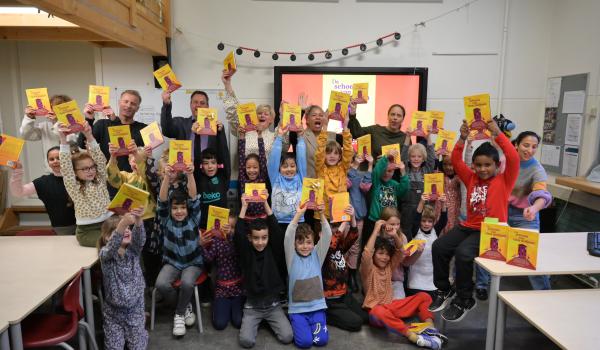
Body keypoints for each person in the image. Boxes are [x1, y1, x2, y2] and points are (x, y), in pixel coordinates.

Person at [430, 119, 519, 322]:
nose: (482, 169)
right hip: (469, 226)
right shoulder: (471, 178)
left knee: (463, 254)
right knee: (439, 246)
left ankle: (464, 299)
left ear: (497, 165)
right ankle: (444, 289)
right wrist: (462, 138)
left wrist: (498, 134)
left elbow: (513, 157)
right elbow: (455, 159)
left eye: (487, 165)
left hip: (491, 231)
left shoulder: (504, 180)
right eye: (478, 165)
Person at [360, 216, 446, 350]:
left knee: (424, 296)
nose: (384, 257)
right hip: (377, 313)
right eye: (380, 253)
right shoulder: (368, 269)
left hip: (392, 306)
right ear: (374, 255)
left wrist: (394, 235)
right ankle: (414, 337)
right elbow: (366, 253)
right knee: (377, 311)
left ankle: (430, 328)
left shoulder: (389, 266)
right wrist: (376, 229)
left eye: (387, 255)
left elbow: (401, 252)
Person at [235, 195, 293, 348]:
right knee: (246, 342)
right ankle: (260, 321)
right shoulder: (246, 253)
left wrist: (265, 202)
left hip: (273, 305)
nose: (260, 242)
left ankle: (269, 321)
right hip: (252, 307)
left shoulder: (273, 250)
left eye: (264, 238)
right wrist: (244, 207)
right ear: (250, 238)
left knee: (287, 337)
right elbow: (239, 234)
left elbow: (275, 227)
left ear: (268, 237)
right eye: (256, 238)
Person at [155, 162, 203, 337]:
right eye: (175, 208)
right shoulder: (166, 219)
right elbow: (161, 201)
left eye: (182, 207)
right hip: (173, 262)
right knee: (161, 284)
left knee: (187, 283)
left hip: (193, 263)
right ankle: (185, 306)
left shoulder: (194, 218)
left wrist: (190, 174)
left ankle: (179, 314)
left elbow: (194, 198)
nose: (179, 211)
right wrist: (167, 176)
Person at [107, 144, 158, 286]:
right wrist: (113, 156)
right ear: (129, 161)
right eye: (133, 159)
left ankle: (151, 286)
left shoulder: (149, 177)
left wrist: (139, 156)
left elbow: (145, 170)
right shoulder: (126, 176)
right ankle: (132, 283)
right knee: (130, 254)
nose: (136, 162)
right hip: (129, 221)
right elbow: (113, 178)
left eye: (139, 159)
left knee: (149, 256)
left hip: (149, 220)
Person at [507, 131, 553, 290]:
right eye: (526, 145)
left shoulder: (537, 169)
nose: (530, 150)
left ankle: (544, 296)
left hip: (526, 215)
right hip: (503, 211)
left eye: (534, 147)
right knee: (493, 252)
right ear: (516, 145)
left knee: (529, 258)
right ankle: (484, 289)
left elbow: (543, 195)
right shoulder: (505, 160)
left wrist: (533, 208)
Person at [97, 209, 148, 350]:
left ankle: (141, 330)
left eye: (128, 228)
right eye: (119, 229)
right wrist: (123, 222)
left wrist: (137, 220)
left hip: (135, 310)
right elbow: (112, 247)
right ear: (107, 237)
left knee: (138, 346)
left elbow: (140, 239)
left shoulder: (133, 251)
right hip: (113, 314)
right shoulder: (106, 256)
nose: (126, 230)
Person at [284, 203, 332, 348]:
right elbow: (288, 235)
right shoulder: (291, 257)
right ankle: (297, 324)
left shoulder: (317, 254)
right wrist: (298, 214)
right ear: (294, 244)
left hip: (317, 308)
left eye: (309, 242)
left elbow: (328, 234)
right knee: (304, 343)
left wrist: (321, 214)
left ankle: (317, 322)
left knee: (320, 341)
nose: (305, 246)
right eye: (301, 242)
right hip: (298, 311)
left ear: (314, 242)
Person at [58, 122, 112, 247]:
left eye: (92, 167)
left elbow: (100, 159)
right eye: (85, 169)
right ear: (75, 173)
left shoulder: (100, 179)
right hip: (87, 231)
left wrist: (88, 135)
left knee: (126, 242)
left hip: (107, 224)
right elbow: (66, 167)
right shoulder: (74, 186)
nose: (91, 170)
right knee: (111, 244)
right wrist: (63, 139)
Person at [9, 147, 76, 235]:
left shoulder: (78, 178)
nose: (55, 161)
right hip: (61, 230)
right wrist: (17, 171)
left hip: (85, 226)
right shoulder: (43, 182)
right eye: (51, 159)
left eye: (59, 158)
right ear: (48, 163)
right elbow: (18, 192)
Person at [322, 205, 368, 332]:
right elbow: (332, 242)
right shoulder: (321, 249)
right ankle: (325, 315)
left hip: (344, 294)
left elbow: (353, 235)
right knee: (356, 323)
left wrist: (352, 217)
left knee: (365, 317)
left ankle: (344, 310)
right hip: (331, 300)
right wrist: (344, 222)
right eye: (332, 227)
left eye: (337, 227)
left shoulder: (340, 248)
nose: (336, 230)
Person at [78, 90, 146, 173]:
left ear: (137, 108)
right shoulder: (102, 124)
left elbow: (146, 158)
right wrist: (89, 119)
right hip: (107, 179)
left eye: (133, 103)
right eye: (126, 101)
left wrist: (115, 121)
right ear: (119, 103)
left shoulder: (143, 129)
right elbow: (82, 144)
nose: (128, 105)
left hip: (133, 180)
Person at [199, 212, 244, 330]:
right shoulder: (216, 242)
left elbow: (240, 251)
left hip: (237, 289)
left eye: (232, 227)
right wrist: (201, 245)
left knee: (238, 322)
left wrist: (232, 235)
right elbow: (208, 259)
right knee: (219, 324)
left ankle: (232, 307)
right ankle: (223, 306)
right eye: (226, 226)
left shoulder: (238, 242)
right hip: (221, 290)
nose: (229, 229)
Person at [222, 69, 281, 156]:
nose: (262, 116)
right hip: (246, 169)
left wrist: (283, 115)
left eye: (266, 114)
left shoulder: (274, 136)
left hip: (267, 170)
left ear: (271, 120)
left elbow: (284, 138)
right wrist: (227, 84)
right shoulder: (245, 132)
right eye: (260, 113)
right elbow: (234, 112)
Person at [20, 94, 83, 167]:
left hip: (73, 169)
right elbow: (26, 135)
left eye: (59, 107)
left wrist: (56, 123)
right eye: (52, 108)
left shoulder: (76, 125)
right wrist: (29, 118)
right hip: (52, 170)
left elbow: (69, 139)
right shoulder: (45, 126)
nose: (54, 111)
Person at [363, 148, 408, 249]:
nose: (387, 173)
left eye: (390, 171)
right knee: (375, 248)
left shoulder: (394, 184)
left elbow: (404, 189)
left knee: (389, 248)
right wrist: (386, 157)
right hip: (375, 221)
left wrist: (403, 171)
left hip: (391, 223)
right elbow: (376, 172)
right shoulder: (376, 183)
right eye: (385, 170)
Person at [405, 194, 448, 298]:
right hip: (415, 277)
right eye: (423, 221)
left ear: (433, 222)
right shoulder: (416, 231)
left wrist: (443, 203)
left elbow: (443, 220)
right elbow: (416, 217)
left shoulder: (435, 231)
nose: (426, 224)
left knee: (429, 302)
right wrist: (422, 201)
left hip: (431, 278)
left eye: (429, 221)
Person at [268, 126, 306, 232]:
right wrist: (279, 136)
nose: (289, 169)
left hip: (298, 221)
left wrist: (300, 138)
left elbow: (302, 158)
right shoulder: (275, 178)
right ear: (279, 168)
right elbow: (274, 158)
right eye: (285, 166)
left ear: (297, 167)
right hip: (278, 223)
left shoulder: (300, 178)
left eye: (292, 166)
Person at [348, 103, 408, 171]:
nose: (395, 118)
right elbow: (356, 132)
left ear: (403, 119)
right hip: (371, 175)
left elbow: (405, 162)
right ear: (388, 116)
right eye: (392, 114)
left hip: (392, 178)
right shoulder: (375, 130)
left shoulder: (405, 138)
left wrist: (385, 158)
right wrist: (352, 115)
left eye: (399, 115)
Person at [315, 114, 353, 220]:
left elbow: (348, 151)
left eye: (336, 153)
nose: (332, 156)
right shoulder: (321, 168)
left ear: (340, 156)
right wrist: (325, 127)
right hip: (322, 215)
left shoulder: (343, 168)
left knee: (340, 237)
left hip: (340, 213)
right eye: (329, 153)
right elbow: (319, 151)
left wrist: (345, 128)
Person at [401, 129, 436, 240]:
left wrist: (428, 136)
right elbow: (402, 156)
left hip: (423, 210)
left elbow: (431, 157)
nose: (416, 159)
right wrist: (407, 136)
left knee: (421, 239)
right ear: (409, 158)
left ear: (423, 158)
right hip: (406, 211)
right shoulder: (405, 170)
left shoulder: (427, 170)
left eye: (419, 156)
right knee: (406, 238)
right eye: (413, 156)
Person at [345, 152, 373, 291]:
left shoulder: (362, 174)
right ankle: (342, 275)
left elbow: (366, 187)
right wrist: (354, 166)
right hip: (342, 217)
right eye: (352, 161)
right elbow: (347, 183)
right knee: (342, 246)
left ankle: (352, 275)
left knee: (355, 247)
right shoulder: (344, 173)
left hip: (358, 217)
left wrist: (370, 166)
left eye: (355, 160)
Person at [196, 120, 230, 229]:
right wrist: (197, 135)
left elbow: (224, 153)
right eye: (206, 163)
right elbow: (197, 159)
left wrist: (221, 133)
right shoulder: (199, 179)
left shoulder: (223, 177)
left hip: (222, 228)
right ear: (202, 166)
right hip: (203, 228)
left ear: (217, 164)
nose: (210, 166)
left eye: (213, 163)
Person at [238, 127, 268, 219]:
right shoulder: (243, 179)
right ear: (244, 168)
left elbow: (262, 156)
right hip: (247, 217)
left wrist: (259, 136)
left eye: (255, 167)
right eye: (248, 167)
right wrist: (242, 136)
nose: (251, 170)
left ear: (260, 168)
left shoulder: (261, 178)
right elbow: (241, 155)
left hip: (262, 217)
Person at [301, 105, 338, 178]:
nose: (318, 117)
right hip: (309, 185)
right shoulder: (302, 135)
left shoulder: (332, 136)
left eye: (321, 115)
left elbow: (352, 136)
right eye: (314, 115)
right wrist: (301, 111)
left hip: (328, 184)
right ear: (307, 120)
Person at [434, 155, 461, 235]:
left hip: (454, 209)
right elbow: (434, 168)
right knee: (440, 225)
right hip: (440, 207)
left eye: (451, 164)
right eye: (445, 164)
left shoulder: (459, 177)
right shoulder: (440, 176)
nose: (448, 167)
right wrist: (437, 155)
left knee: (452, 227)